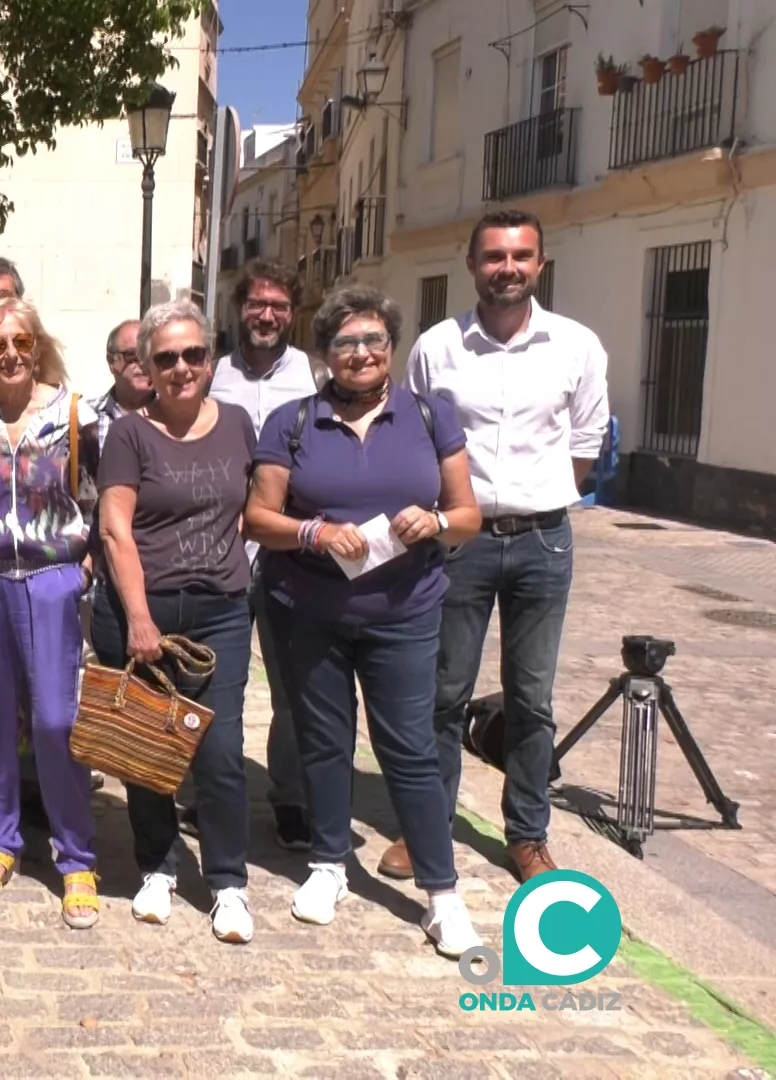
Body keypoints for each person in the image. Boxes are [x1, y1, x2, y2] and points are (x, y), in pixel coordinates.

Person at [245, 284, 484, 959]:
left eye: (373, 340)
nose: (360, 353)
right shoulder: (292, 422)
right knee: (323, 740)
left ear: (392, 348)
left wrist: (435, 521)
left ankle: (442, 896)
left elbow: (468, 515)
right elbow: (259, 518)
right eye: (345, 342)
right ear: (323, 353)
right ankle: (328, 867)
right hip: (309, 609)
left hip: (404, 612)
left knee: (408, 748)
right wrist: (314, 532)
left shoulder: (430, 418)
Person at [403, 210, 608, 885]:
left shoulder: (576, 346)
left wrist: (539, 495)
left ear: (540, 265)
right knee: (443, 691)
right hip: (459, 541)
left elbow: (585, 445)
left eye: (521, 256)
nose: (508, 268)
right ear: (472, 266)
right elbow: (414, 440)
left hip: (544, 541)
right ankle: (428, 827)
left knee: (532, 696)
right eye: (495, 257)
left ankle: (527, 834)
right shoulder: (438, 347)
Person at [94, 300, 257, 944]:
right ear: (146, 368)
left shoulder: (240, 424)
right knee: (147, 750)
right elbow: (115, 528)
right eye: (166, 357)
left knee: (219, 752)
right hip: (142, 612)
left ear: (210, 360)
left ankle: (227, 882)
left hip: (219, 614)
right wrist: (138, 616)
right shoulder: (130, 434)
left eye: (193, 355)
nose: (181, 367)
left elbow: (250, 509)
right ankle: (157, 867)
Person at [0, 297, 101, 929]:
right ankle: (1, 840)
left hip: (50, 577)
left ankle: (76, 856)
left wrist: (81, 565)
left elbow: (94, 491)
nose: (9, 354)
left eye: (21, 343)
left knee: (58, 719)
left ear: (39, 348)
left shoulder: (71, 413)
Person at [208, 259, 319, 851]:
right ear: (239, 309)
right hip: (221, 550)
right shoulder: (209, 373)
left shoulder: (314, 377)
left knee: (293, 685)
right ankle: (203, 794)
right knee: (215, 681)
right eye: (257, 304)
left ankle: (292, 798)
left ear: (291, 313)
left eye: (278, 305)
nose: (267, 315)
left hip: (287, 553)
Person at [94, 318, 153, 453]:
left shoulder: (174, 415)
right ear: (111, 362)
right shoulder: (86, 417)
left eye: (150, 355)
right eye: (132, 355)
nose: (143, 363)